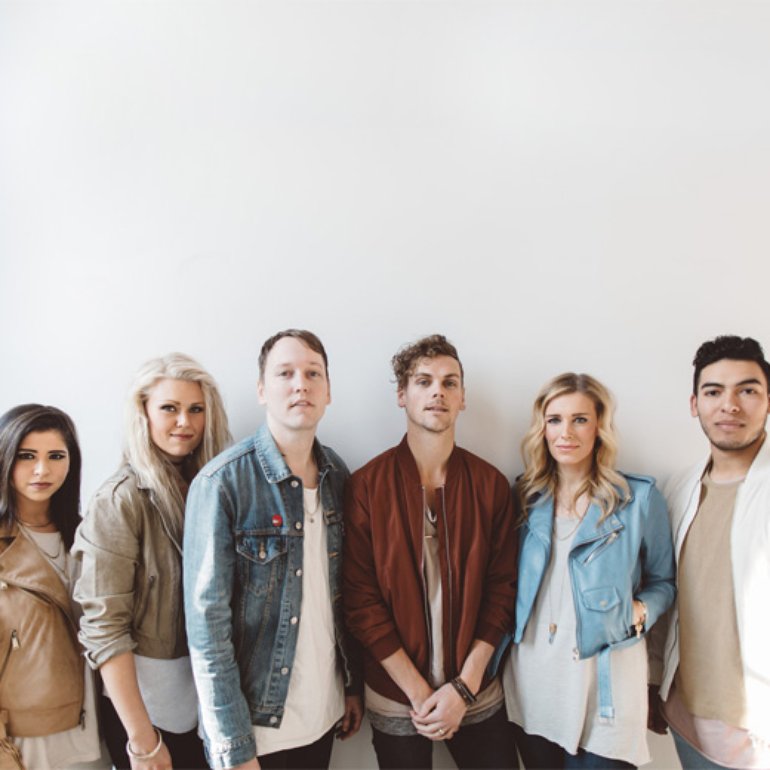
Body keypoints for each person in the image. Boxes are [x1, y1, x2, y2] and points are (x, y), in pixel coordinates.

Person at [183, 329, 363, 770]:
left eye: (313, 373)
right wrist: (233, 745)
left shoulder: (337, 474)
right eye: (285, 373)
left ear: (328, 391)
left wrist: (351, 685)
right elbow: (207, 629)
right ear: (262, 390)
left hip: (322, 715)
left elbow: (340, 596)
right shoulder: (222, 483)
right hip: (256, 729)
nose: (301, 384)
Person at [343, 334, 518, 770]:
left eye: (449, 382)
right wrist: (421, 694)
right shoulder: (366, 486)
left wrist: (463, 688)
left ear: (462, 399)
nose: (438, 391)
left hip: (476, 690)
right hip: (396, 695)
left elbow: (503, 591)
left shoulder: (491, 485)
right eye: (423, 381)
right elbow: (360, 600)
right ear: (402, 395)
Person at [504, 372, 675, 769]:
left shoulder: (637, 499)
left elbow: (664, 581)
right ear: (543, 429)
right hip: (534, 680)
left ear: (599, 427)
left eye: (579, 419)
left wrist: (642, 609)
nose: (566, 432)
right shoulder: (524, 498)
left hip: (607, 686)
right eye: (555, 420)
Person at [73, 353, 231, 770]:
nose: (184, 422)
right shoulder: (119, 499)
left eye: (196, 409)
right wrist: (142, 740)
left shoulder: (210, 486)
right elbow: (104, 628)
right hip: (147, 708)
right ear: (143, 413)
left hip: (203, 702)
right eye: (169, 408)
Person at [649, 335, 770, 770]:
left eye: (747, 390)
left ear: (768, 401)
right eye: (714, 391)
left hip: (758, 731)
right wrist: (653, 681)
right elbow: (664, 590)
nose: (729, 405)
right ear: (694, 403)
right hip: (688, 720)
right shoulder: (677, 489)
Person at [0, 404, 103, 770]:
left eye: (56, 456)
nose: (42, 469)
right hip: (30, 743)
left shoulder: (91, 535)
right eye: (27, 456)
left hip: (99, 733)